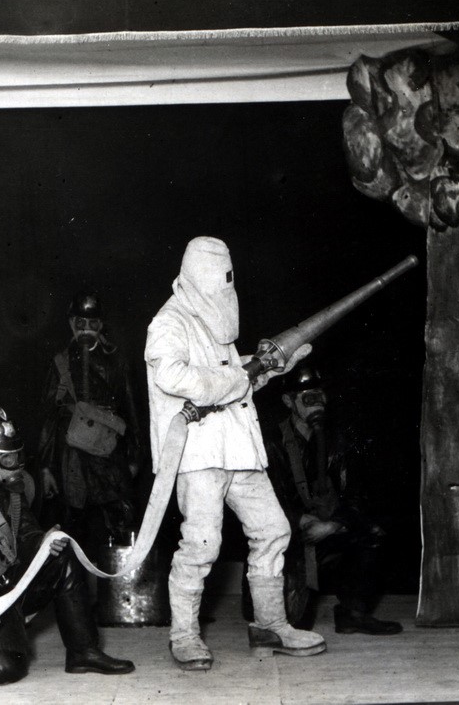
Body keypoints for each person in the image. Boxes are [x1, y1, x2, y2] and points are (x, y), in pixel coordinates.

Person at [144, 236, 324, 671]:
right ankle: (184, 636)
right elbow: (175, 376)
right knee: (201, 545)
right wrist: (239, 377)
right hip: (198, 453)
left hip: (239, 448)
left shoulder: (215, 317)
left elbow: (233, 375)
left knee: (274, 530)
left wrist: (269, 366)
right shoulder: (168, 322)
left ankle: (270, 625)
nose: (226, 289)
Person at [0, 406, 135, 685]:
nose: (14, 465)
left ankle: (83, 652)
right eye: (5, 458)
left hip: (8, 587)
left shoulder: (10, 490)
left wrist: (43, 542)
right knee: (5, 669)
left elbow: (25, 534)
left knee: (62, 557)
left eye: (16, 456)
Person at [259, 365, 403, 635]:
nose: (318, 404)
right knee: (294, 625)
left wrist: (333, 525)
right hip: (289, 537)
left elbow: (357, 494)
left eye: (320, 396)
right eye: (308, 398)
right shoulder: (271, 442)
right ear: (289, 401)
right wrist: (299, 520)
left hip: (326, 530)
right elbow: (260, 499)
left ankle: (353, 613)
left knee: (373, 534)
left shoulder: (337, 440)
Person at [37, 291, 142, 548]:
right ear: (70, 322)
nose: (85, 329)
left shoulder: (117, 361)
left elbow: (133, 412)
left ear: (101, 324)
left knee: (118, 526)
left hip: (109, 456)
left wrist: (134, 458)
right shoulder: (60, 363)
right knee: (72, 528)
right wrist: (46, 468)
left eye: (92, 322)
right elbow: (49, 418)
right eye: (79, 322)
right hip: (70, 457)